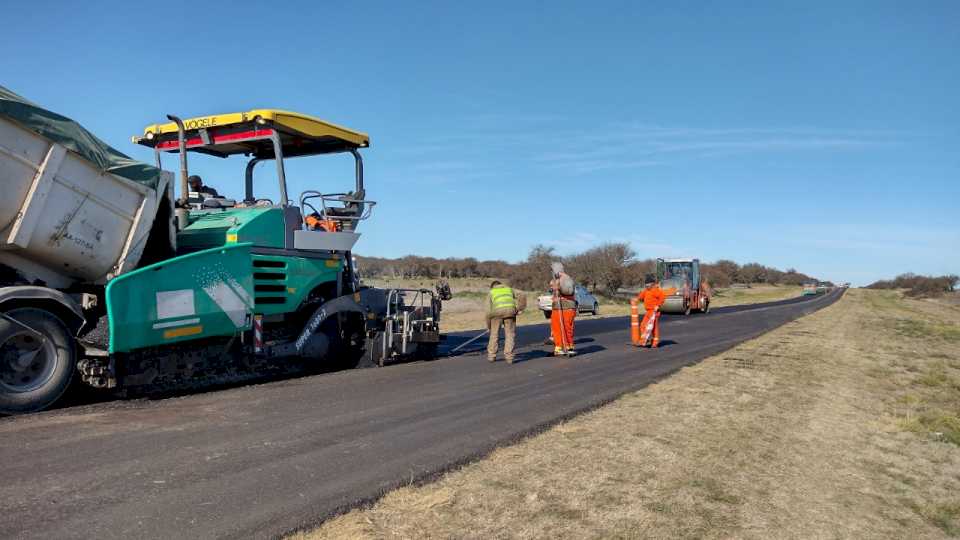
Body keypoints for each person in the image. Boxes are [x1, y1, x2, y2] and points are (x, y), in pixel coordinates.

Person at [634, 274, 677, 348]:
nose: (647, 286)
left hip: (654, 312)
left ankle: (646, 341)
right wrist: (636, 299)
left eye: (648, 284)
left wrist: (658, 305)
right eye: (646, 285)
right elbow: (641, 296)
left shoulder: (655, 290)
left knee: (647, 326)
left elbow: (662, 297)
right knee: (648, 326)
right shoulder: (646, 291)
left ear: (652, 284)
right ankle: (650, 341)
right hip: (648, 311)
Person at [486, 280, 519, 363]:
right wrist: (518, 309)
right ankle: (509, 357)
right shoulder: (509, 289)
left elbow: (487, 312)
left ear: (492, 287)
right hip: (510, 312)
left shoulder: (491, 292)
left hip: (496, 313)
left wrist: (489, 327)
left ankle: (491, 356)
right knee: (510, 334)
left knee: (494, 334)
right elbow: (522, 295)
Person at [549, 262, 577, 356]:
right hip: (557, 307)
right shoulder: (555, 280)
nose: (552, 272)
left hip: (566, 307)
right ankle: (558, 347)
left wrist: (559, 287)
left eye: (552, 270)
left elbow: (569, 291)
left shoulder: (566, 278)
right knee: (556, 328)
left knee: (566, 328)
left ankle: (569, 346)